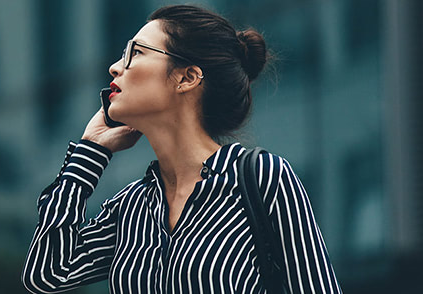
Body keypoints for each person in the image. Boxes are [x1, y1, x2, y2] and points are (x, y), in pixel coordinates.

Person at [22, 4, 341, 294]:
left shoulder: (260, 179)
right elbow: (48, 273)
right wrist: (89, 154)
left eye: (135, 53)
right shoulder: (132, 207)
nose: (115, 68)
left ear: (187, 77)